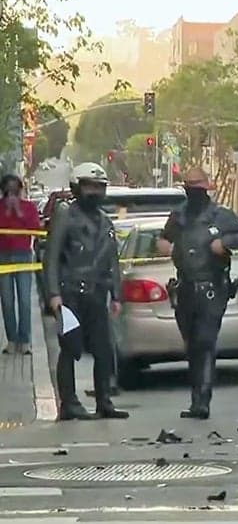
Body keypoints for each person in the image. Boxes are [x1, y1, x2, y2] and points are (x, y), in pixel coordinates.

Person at [156, 167, 238, 420]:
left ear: (207, 186)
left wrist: (225, 243)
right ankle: (195, 399)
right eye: (189, 185)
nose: (193, 190)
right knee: (192, 346)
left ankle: (203, 401)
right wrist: (164, 245)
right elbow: (161, 240)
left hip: (212, 288)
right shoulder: (178, 217)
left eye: (197, 185)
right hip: (185, 289)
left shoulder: (220, 216)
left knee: (205, 341)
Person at [43, 163, 128, 421]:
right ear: (77, 187)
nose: (95, 192)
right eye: (90, 186)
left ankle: (105, 401)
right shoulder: (65, 214)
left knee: (104, 348)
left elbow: (112, 260)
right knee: (70, 347)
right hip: (70, 294)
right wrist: (54, 295)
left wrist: (116, 294)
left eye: (100, 187)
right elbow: (52, 257)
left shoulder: (105, 221)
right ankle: (69, 403)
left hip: (96, 293)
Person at [0, 174, 40, 355]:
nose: (12, 195)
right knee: (7, 301)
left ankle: (25, 341)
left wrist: (19, 212)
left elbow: (35, 229)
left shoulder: (29, 207)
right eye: (9, 191)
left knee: (24, 300)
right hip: (3, 257)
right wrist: (7, 212)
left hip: (23, 255)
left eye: (15, 190)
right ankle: (12, 340)